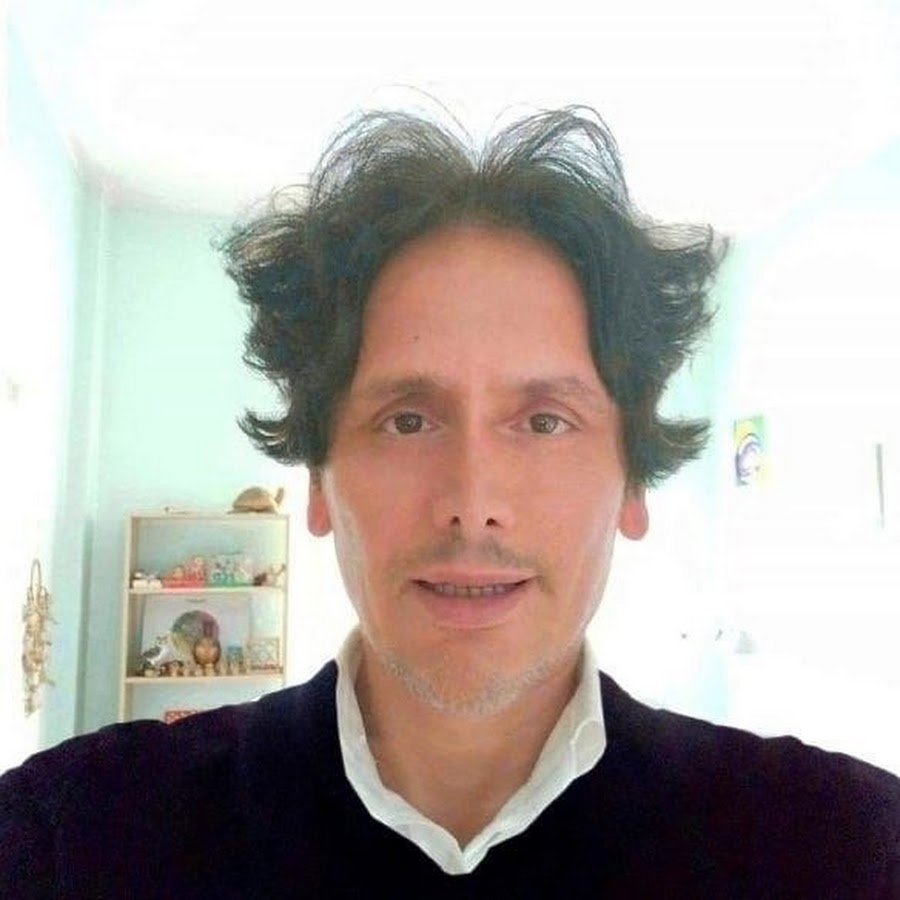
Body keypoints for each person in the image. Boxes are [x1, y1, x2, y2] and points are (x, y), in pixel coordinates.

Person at [1, 106, 898, 898]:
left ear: (632, 483)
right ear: (318, 480)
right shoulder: (69, 840)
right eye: (407, 420)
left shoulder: (843, 850)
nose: (473, 503)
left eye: (544, 422)